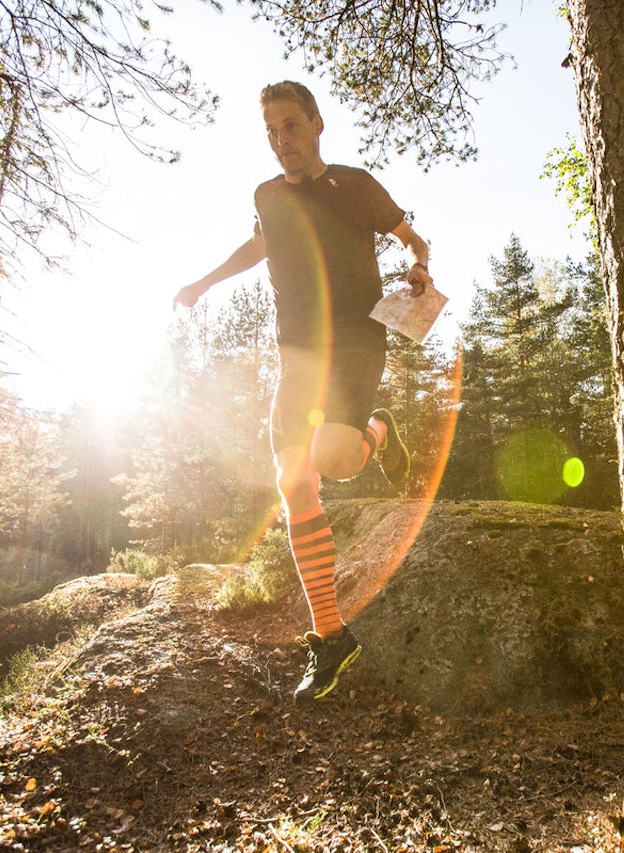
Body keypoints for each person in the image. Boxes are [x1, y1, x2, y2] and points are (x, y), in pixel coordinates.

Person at [173, 81, 434, 704]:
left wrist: (420, 266)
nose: (281, 140)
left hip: (355, 344)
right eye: (271, 131)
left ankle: (379, 428)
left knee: (335, 460)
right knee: (295, 488)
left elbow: (412, 238)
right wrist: (205, 282)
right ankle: (330, 635)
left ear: (317, 125)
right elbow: (259, 245)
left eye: (291, 126)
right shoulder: (266, 196)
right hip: (298, 357)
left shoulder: (356, 185)